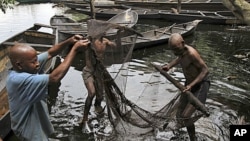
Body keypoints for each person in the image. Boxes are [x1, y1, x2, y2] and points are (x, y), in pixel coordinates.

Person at [6, 35, 90, 141]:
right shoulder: (18, 80)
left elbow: (50, 53)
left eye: (37, 59)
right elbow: (55, 78)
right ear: (19, 65)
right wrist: (74, 49)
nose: (37, 64)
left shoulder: (27, 66)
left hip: (36, 119)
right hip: (28, 129)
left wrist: (69, 41)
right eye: (33, 62)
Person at [162, 33, 210, 141]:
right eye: (172, 50)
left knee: (186, 115)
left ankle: (193, 139)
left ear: (183, 43)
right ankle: (181, 135)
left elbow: (205, 70)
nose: (174, 52)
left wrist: (191, 85)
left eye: (176, 49)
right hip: (188, 85)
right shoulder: (181, 52)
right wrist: (169, 66)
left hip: (200, 85)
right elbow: (179, 58)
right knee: (180, 112)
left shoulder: (192, 53)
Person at [81, 37, 116, 133]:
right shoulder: (89, 41)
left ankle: (97, 109)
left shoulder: (105, 41)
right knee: (92, 93)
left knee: (100, 96)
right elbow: (81, 44)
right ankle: (84, 119)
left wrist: (113, 42)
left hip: (99, 71)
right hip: (89, 71)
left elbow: (114, 46)